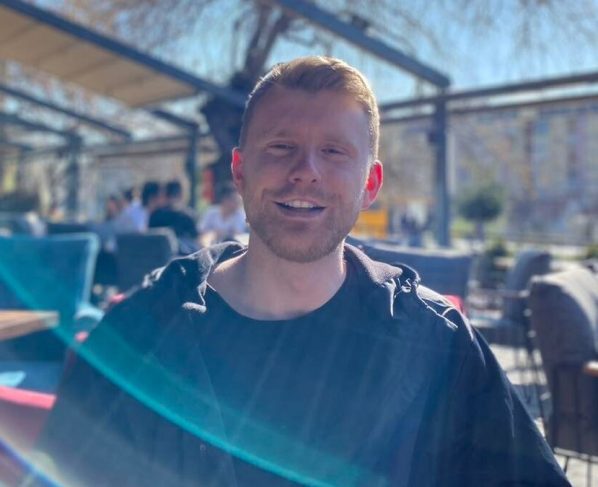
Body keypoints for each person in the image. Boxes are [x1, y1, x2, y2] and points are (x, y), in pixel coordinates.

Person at [32, 56, 569, 486]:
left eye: (333, 152)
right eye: (281, 146)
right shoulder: (144, 334)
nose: (305, 172)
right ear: (240, 170)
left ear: (370, 183)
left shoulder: (434, 345)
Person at [149, 179, 200, 253]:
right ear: (181, 194)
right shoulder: (187, 215)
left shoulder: (155, 215)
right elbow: (196, 238)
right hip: (183, 255)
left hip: (159, 255)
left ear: (165, 194)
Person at [199, 182, 246, 246]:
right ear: (225, 200)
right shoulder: (211, 212)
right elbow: (202, 232)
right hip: (210, 245)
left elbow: (237, 235)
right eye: (235, 199)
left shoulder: (240, 215)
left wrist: (218, 233)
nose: (238, 202)